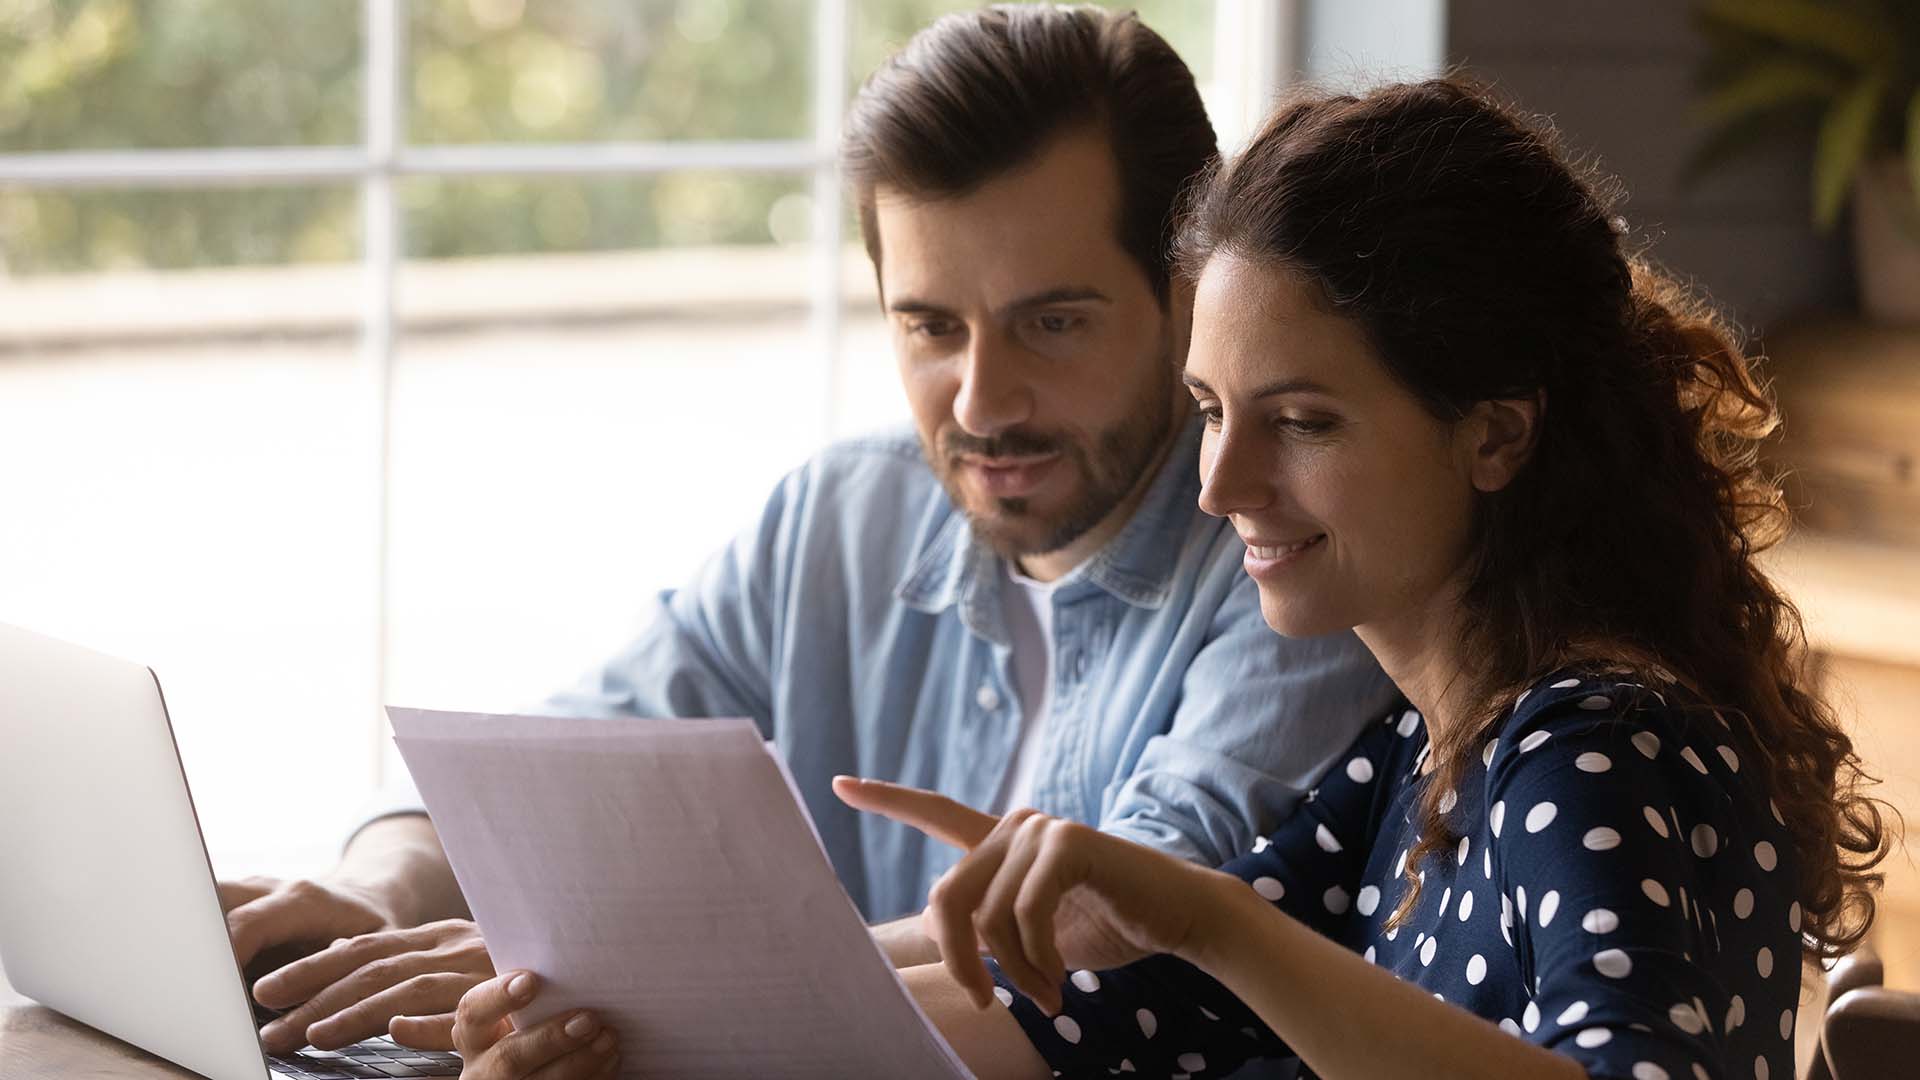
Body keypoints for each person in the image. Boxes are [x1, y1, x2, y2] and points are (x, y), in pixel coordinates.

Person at [451, 78, 1896, 1079]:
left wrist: (1204, 919)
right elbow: (1115, 1000)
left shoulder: (1601, 745)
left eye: (1304, 422)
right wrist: (619, 1012)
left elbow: (1213, 947)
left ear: (1496, 433)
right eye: (1213, 411)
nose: (1221, 487)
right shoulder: (1428, 745)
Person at [219, 5, 1396, 1059]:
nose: (981, 402)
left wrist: (623, 988)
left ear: (1187, 297)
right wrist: (375, 895)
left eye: (1052, 321)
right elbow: (554, 769)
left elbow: (1119, 921)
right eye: (931, 327)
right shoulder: (842, 516)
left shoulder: (1288, 564)